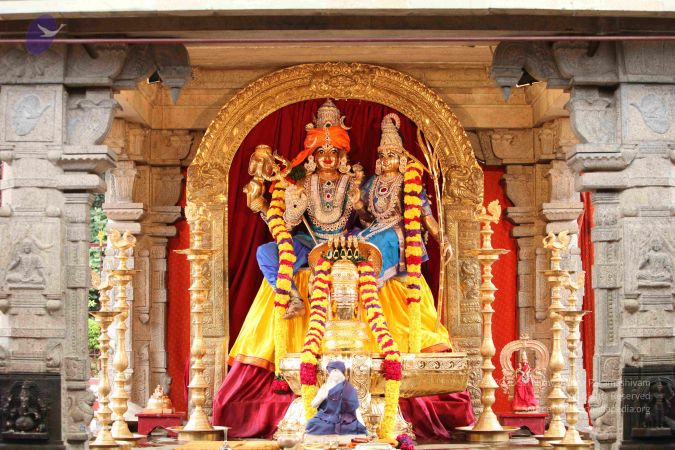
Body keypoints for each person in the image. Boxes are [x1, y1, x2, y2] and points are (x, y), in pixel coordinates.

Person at [305, 361, 367, 436]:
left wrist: (362, 424)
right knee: (312, 423)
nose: (335, 374)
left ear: (342, 373)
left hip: (345, 419)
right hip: (326, 417)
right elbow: (313, 404)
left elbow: (355, 409)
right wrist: (322, 397)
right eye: (333, 371)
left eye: (337, 371)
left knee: (357, 427)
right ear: (329, 373)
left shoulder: (349, 388)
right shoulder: (325, 387)